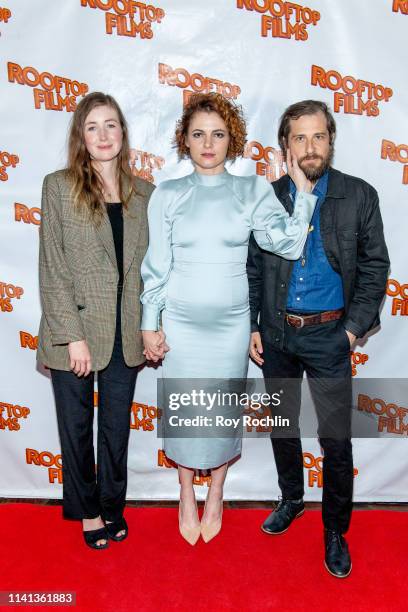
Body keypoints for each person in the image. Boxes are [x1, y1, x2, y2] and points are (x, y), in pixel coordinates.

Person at [140, 92, 317, 545]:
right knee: (183, 409)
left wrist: (303, 194)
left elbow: (288, 244)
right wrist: (149, 321)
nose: (208, 143)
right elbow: (156, 266)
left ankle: (216, 489)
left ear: (231, 139)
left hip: (231, 325)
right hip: (180, 322)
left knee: (220, 411)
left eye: (218, 134)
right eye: (198, 134)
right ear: (185, 139)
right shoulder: (169, 194)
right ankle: (185, 489)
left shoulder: (252, 189)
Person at [247, 99, 389, 577]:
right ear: (285, 146)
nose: (310, 147)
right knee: (285, 426)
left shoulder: (358, 196)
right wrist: (254, 325)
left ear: (331, 140)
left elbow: (375, 268)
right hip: (278, 335)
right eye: (299, 138)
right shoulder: (267, 197)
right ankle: (291, 498)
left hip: (331, 335)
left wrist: (352, 331)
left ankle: (335, 530)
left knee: (336, 440)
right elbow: (252, 269)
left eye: (318, 136)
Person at [37, 92, 155, 549]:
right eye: (92, 126)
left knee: (116, 430)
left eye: (111, 125)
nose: (103, 135)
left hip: (126, 333)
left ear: (123, 133)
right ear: (80, 136)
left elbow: (153, 270)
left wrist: (152, 323)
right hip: (75, 334)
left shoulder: (145, 192)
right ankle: (87, 511)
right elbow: (53, 267)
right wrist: (71, 337)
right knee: (76, 426)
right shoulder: (58, 186)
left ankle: (112, 505)